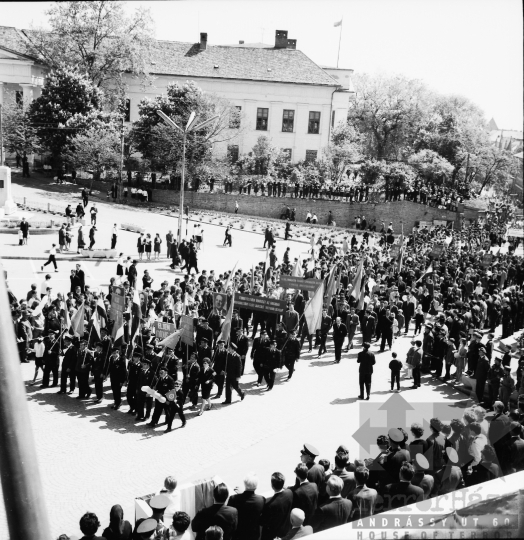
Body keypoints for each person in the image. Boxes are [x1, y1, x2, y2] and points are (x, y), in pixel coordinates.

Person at [228, 473, 265, 540]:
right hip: (253, 534)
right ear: (256, 486)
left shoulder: (233, 499)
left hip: (238, 534)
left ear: (244, 484)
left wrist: (241, 494)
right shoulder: (261, 499)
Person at [260, 472, 293, 540]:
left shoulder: (269, 505)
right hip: (286, 530)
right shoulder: (290, 493)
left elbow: (262, 522)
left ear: (272, 486)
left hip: (274, 535)